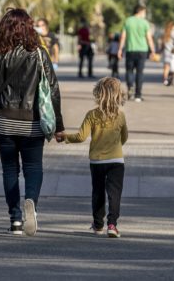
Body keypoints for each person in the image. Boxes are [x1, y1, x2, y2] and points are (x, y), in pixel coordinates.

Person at [0, 8, 64, 237]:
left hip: (2, 122)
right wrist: (60, 127)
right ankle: (31, 203)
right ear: (29, 27)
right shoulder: (39, 53)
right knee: (33, 167)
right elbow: (52, 91)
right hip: (32, 122)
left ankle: (15, 219)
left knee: (10, 170)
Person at [55, 77, 127, 238]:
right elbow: (125, 137)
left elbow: (81, 137)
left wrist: (65, 137)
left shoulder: (92, 115)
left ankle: (98, 224)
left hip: (97, 161)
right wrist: (115, 146)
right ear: (118, 95)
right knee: (114, 194)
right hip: (116, 161)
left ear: (98, 94)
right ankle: (112, 225)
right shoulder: (120, 116)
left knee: (98, 192)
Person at [118, 5, 156, 102]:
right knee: (140, 72)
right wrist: (152, 50)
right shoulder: (145, 23)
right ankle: (138, 95)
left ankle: (130, 87)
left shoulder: (128, 21)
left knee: (129, 71)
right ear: (140, 11)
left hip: (130, 50)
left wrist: (120, 49)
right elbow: (149, 38)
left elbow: (123, 36)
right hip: (142, 51)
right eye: (144, 12)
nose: (145, 14)